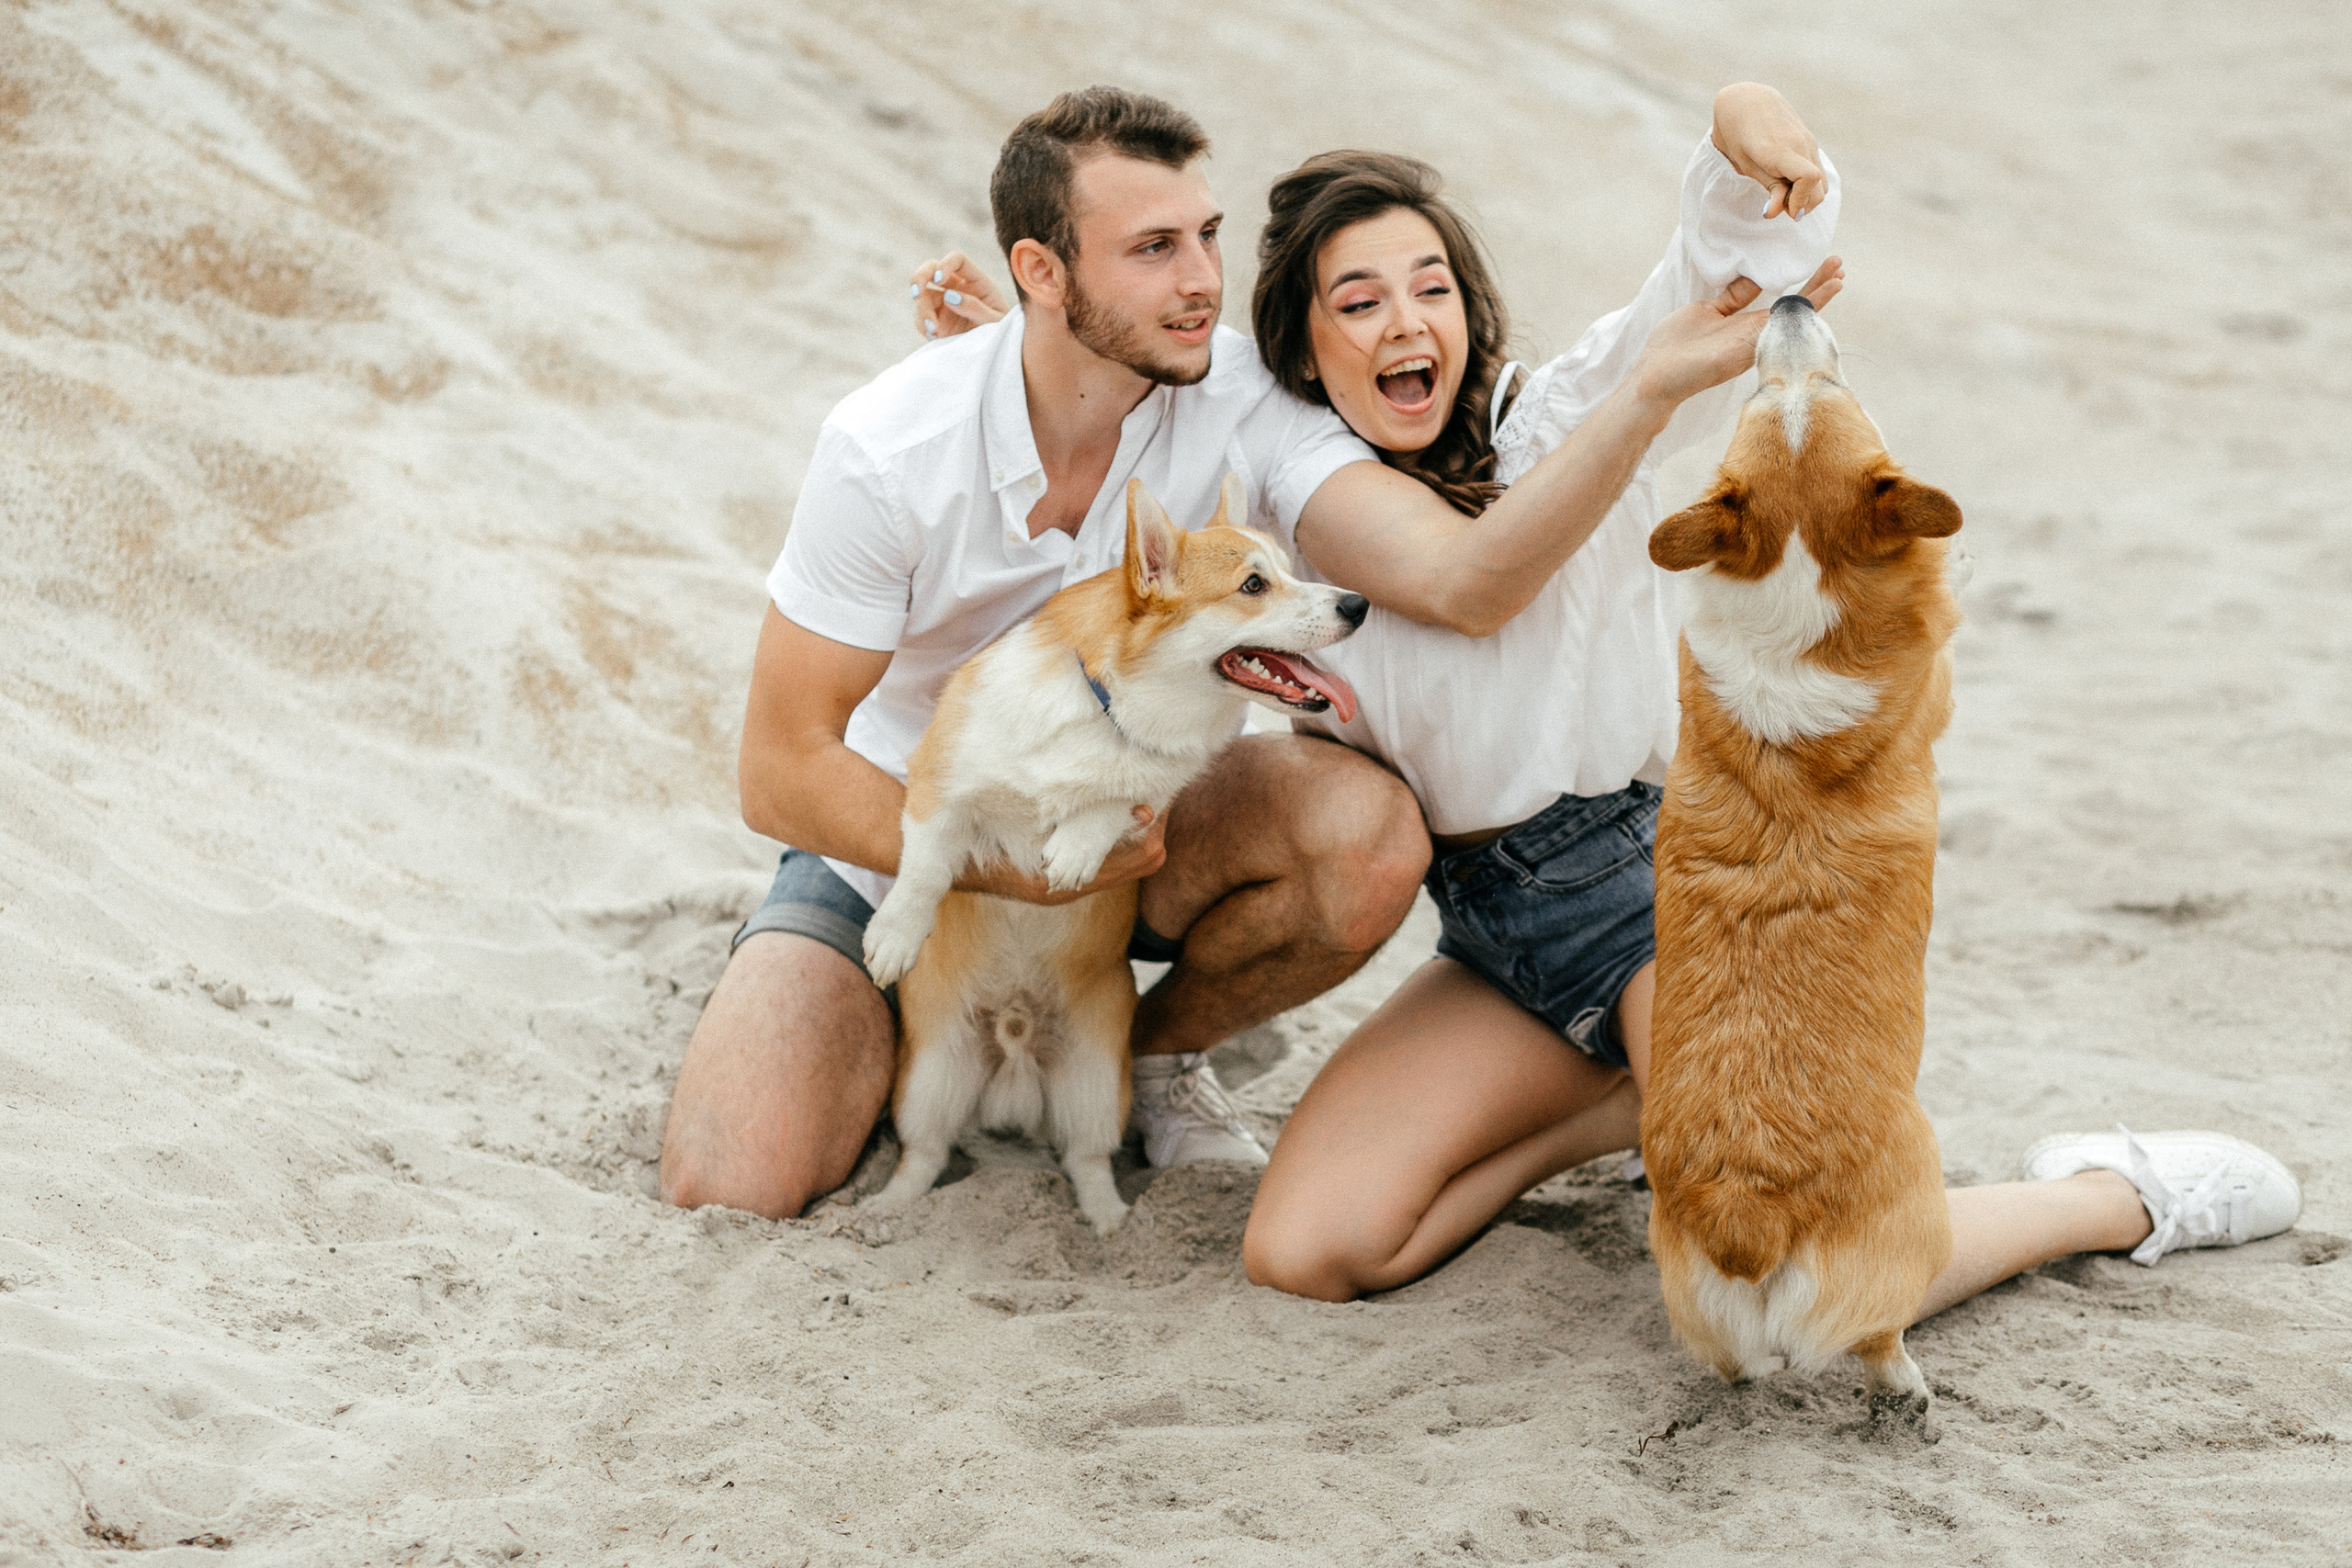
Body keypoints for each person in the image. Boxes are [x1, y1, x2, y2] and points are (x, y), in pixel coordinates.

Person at [911, 85, 2304, 1303]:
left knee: (1810, 1278)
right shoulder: (1293, 478)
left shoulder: (1566, 416)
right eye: (1359, 300)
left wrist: (1743, 116)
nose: (1407, 323)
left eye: (1432, 288)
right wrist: (1010, 340)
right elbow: (1184, 388)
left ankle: (2112, 1192)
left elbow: (1727, 259)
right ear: (1306, 346)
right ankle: (1635, 1105)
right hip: (1494, 934)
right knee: (1312, 1249)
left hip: (1658, 897)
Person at [658, 85, 1790, 1219]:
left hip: (1139, 832)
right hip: (911, 838)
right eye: (1152, 248)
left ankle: (1150, 1056)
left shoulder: (1239, 395)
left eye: (1204, 236)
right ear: (1041, 274)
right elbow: (780, 766)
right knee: (733, 1179)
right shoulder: (887, 449)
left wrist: (1685, 314)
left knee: (1360, 835)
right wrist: (988, 865)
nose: (1201, 279)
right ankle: (909, 1013)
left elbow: (1457, 580)